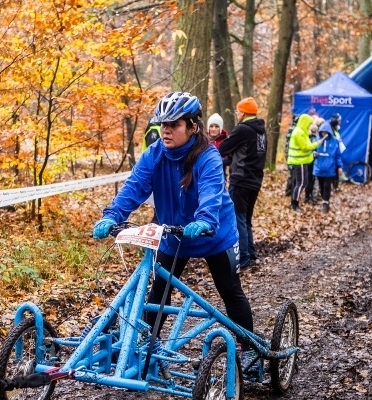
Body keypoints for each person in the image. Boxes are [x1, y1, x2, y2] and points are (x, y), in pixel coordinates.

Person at [92, 91, 256, 361]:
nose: (166, 131)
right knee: (158, 292)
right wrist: (112, 215)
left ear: (193, 126)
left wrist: (204, 220)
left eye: (174, 125)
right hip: (173, 233)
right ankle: (147, 347)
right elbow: (134, 188)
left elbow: (211, 192)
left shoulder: (208, 157)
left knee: (229, 290)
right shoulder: (154, 155)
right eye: (163, 125)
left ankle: (250, 350)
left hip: (214, 233)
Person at [218, 97, 267, 268]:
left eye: (238, 110)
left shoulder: (243, 129)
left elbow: (223, 148)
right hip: (255, 180)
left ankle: (244, 258)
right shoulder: (261, 131)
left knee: (238, 218)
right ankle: (251, 253)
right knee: (246, 219)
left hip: (240, 180)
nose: (237, 113)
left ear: (244, 112)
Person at [287, 114, 325, 212]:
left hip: (301, 161)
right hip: (299, 161)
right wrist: (318, 143)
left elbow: (306, 146)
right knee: (301, 183)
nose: (310, 125)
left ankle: (294, 203)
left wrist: (312, 154)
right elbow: (305, 147)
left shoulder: (302, 131)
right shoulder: (299, 133)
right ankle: (294, 204)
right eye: (309, 123)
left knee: (301, 183)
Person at [315, 116, 344, 212]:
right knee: (321, 185)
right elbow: (311, 150)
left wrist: (339, 166)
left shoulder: (334, 141)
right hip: (319, 167)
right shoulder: (317, 141)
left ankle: (325, 202)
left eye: (326, 132)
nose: (324, 134)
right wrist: (314, 154)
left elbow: (338, 155)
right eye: (322, 132)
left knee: (327, 185)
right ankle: (324, 199)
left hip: (330, 167)